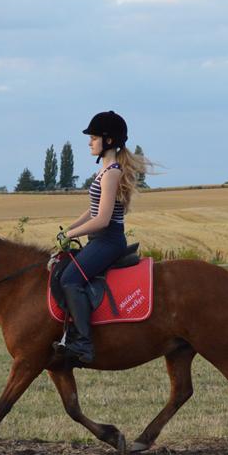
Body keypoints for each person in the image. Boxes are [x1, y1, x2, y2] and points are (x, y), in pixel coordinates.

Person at [54, 110, 147, 364]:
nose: (89, 142)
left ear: (108, 140)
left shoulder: (113, 172)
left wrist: (71, 234)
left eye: (93, 137)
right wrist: (68, 228)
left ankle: (83, 344)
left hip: (108, 240)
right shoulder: (105, 171)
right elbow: (93, 210)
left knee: (70, 279)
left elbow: (102, 219)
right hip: (100, 240)